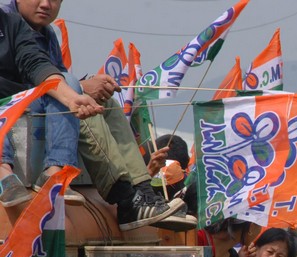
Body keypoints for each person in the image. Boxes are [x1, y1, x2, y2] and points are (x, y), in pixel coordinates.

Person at [2, 0, 192, 231]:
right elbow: (21, 83)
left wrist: (81, 88)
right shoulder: (9, 20)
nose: (46, 4)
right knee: (81, 99)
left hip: (44, 101)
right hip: (17, 109)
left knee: (105, 103)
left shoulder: (42, 32)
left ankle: (141, 190)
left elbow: (40, 68)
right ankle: (124, 196)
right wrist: (79, 90)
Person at [0, 3, 102, 207]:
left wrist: (71, 98)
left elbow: (35, 63)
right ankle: (4, 174)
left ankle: (56, 171)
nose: (46, 4)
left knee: (67, 80)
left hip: (17, 103)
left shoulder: (11, 22)